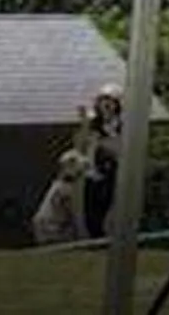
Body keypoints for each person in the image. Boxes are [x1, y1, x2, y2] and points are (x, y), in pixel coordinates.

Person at [79, 86, 124, 239]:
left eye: (111, 101)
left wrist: (106, 142)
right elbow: (83, 146)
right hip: (93, 173)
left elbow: (120, 149)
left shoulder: (121, 126)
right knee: (91, 211)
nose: (106, 105)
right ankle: (94, 238)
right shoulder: (94, 124)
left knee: (108, 206)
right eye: (103, 101)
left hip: (112, 172)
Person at [32, 147, 90, 245]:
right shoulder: (64, 188)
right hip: (51, 229)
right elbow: (73, 215)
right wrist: (83, 237)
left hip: (46, 227)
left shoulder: (58, 185)